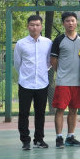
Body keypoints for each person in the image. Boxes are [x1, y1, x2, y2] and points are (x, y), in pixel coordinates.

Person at [14, 15, 52, 150]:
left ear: (41, 26)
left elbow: (49, 62)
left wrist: (42, 72)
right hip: (25, 83)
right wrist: (25, 75)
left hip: (42, 83)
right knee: (23, 113)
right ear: (27, 26)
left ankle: (39, 139)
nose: (34, 27)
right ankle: (25, 140)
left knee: (40, 113)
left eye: (37, 25)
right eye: (32, 25)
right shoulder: (21, 43)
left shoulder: (48, 43)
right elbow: (17, 63)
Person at [50, 12, 80, 149]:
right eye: (67, 21)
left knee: (74, 110)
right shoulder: (59, 40)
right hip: (63, 82)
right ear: (63, 23)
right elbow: (53, 60)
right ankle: (59, 137)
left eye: (72, 20)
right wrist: (61, 73)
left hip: (78, 82)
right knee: (60, 109)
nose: (70, 23)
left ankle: (70, 137)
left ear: (76, 22)